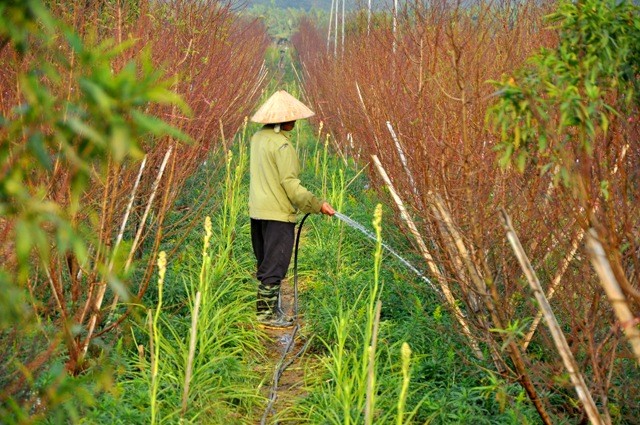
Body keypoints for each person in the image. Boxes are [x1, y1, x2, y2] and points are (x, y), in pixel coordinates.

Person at [249, 90, 335, 328]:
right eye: (292, 118)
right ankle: (266, 315)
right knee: (275, 265)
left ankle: (269, 309)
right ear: (281, 120)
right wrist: (317, 205)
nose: (295, 122)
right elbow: (291, 185)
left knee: (265, 261)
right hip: (277, 214)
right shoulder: (282, 146)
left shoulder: (258, 138)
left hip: (257, 211)